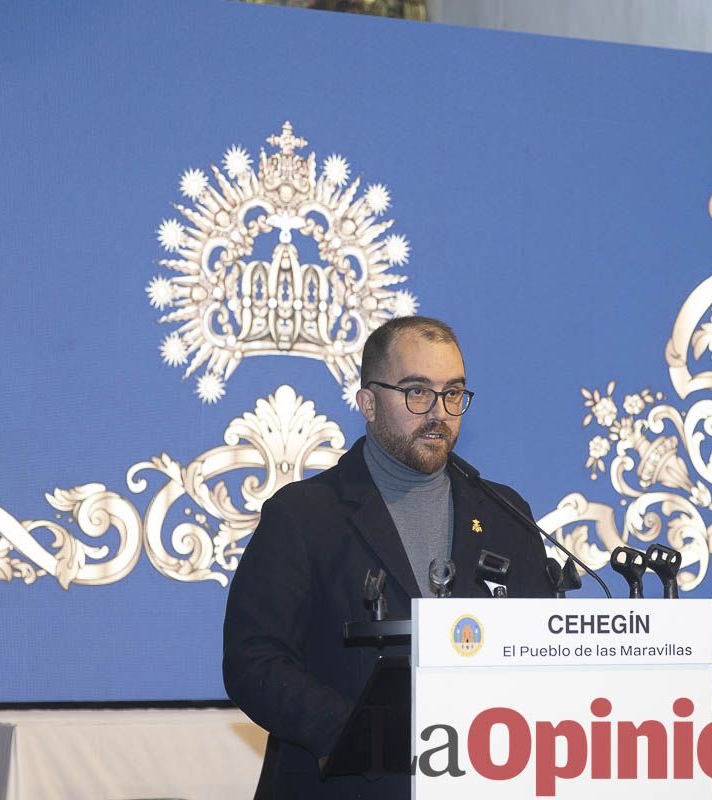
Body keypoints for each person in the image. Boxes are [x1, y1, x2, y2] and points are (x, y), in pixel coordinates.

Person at [223, 315, 554, 799]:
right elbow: (253, 663)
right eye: (417, 392)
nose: (439, 412)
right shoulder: (304, 515)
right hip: (346, 784)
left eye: (454, 393)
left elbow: (541, 651)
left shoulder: (506, 514)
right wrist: (359, 733)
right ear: (369, 403)